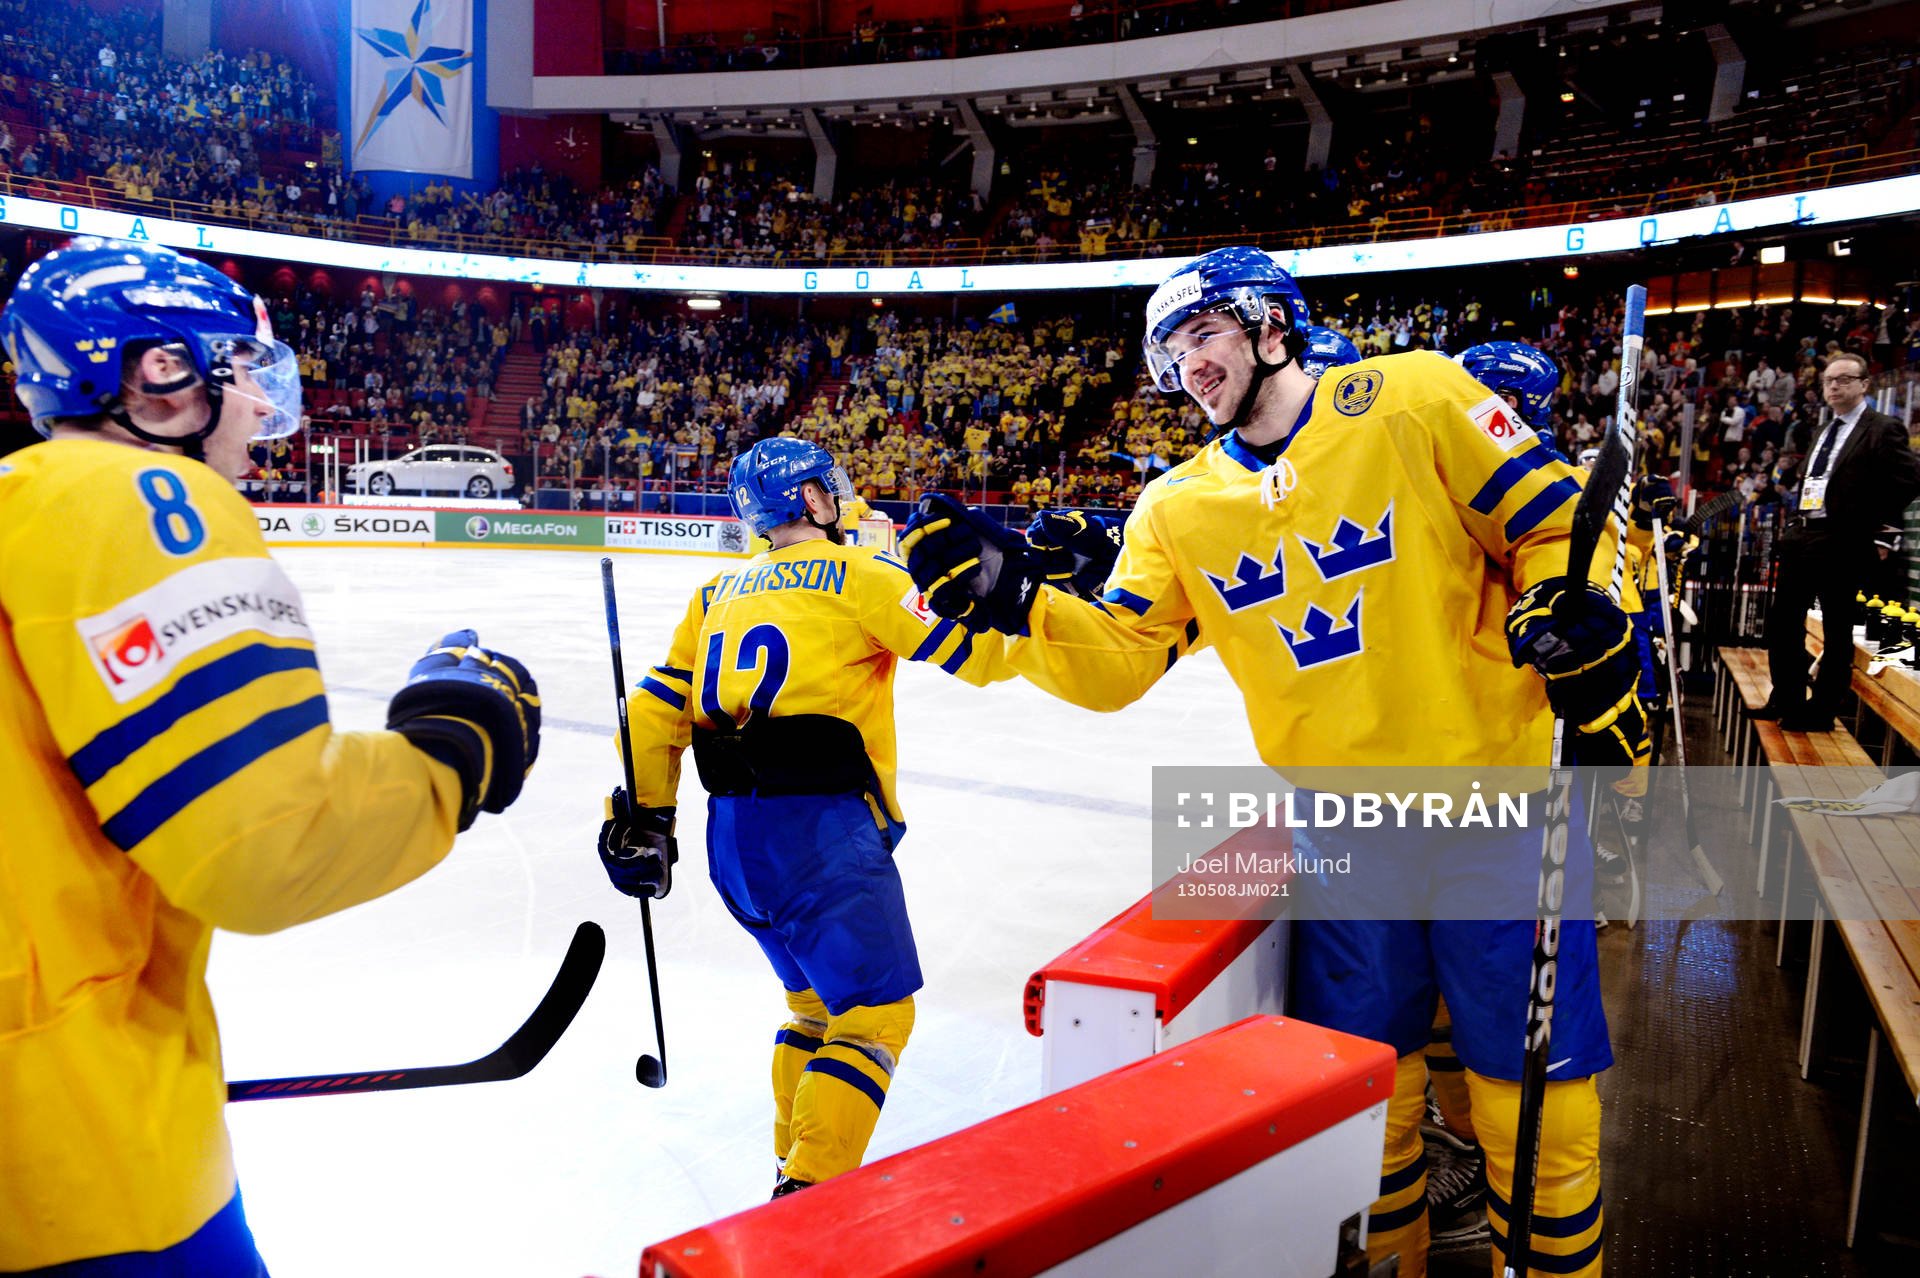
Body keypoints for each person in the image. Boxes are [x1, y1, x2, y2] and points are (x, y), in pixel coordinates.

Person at [900, 247, 1641, 1277]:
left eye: (1201, 335)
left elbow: (1557, 522)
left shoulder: (1417, 394)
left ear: (1268, 324)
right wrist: (1018, 604)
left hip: (1498, 815)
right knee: (1367, 1102)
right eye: (1169, 352)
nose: (1185, 367)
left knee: (1536, 1112)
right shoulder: (1176, 507)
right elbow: (1119, 662)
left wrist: (1570, 603)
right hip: (1343, 839)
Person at [0, 239, 541, 1275]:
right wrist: (453, 756)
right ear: (159, 379)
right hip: (82, 1167)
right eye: (242, 369)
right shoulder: (130, 499)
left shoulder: (19, 505)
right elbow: (265, 843)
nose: (260, 405)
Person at [595, 437, 1009, 1199]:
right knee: (876, 1017)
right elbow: (976, 650)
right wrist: (1017, 603)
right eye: (830, 488)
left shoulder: (717, 591)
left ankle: (789, 1169)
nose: (841, 499)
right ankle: (808, 1199)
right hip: (823, 837)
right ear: (811, 500)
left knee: (813, 1006)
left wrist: (646, 817)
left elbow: (655, 706)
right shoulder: (865, 576)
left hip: (734, 843)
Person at [1752, 351, 1920, 731]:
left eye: (1844, 379)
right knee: (1783, 623)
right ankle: (1788, 698)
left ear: (1864, 384)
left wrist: (1869, 524)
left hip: (1843, 541)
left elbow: (1910, 480)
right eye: (1829, 380)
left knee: (1837, 628)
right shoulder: (1825, 429)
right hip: (1805, 535)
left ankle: (1821, 710)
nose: (1834, 386)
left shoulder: (1882, 428)